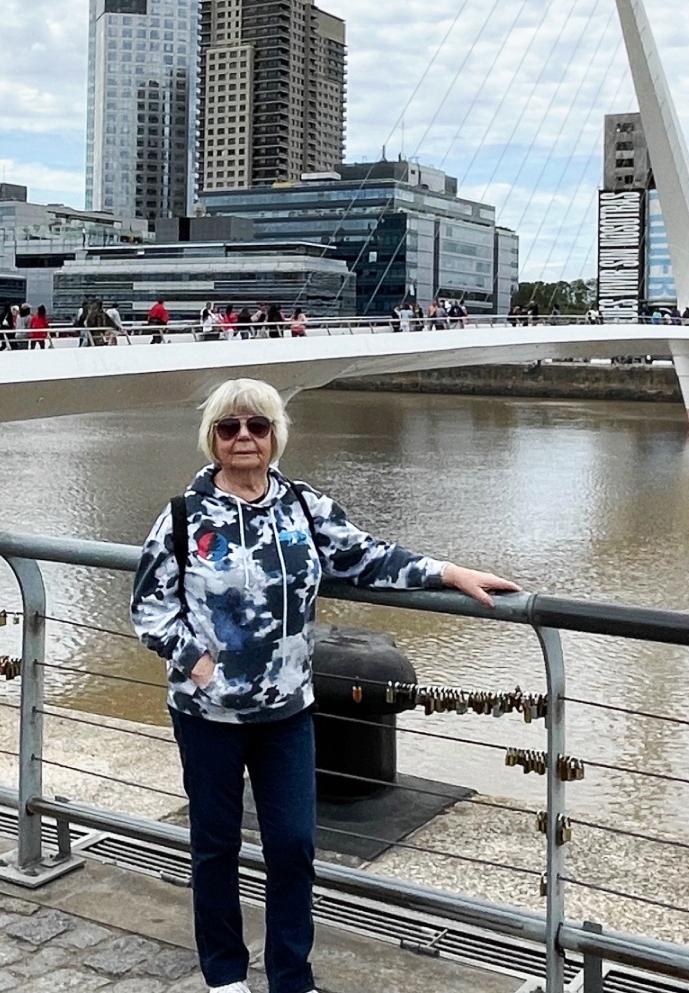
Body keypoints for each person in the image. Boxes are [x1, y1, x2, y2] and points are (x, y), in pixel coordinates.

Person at [132, 379, 519, 993]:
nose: (244, 437)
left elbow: (368, 557)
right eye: (230, 427)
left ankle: (291, 976)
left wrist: (447, 572)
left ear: (275, 436)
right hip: (208, 716)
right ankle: (225, 975)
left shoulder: (303, 507)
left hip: (288, 712)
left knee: (293, 846)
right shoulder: (183, 516)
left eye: (257, 426)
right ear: (212, 438)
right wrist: (198, 664)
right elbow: (150, 607)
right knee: (215, 846)